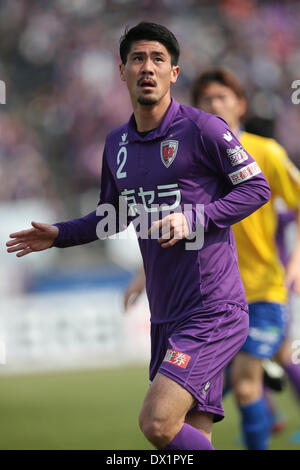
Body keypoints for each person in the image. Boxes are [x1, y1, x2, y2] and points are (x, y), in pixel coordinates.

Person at [6, 24, 271, 450]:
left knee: (157, 423)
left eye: (158, 59)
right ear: (122, 71)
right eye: (138, 59)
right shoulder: (116, 145)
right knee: (193, 435)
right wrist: (59, 234)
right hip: (165, 315)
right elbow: (111, 217)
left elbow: (257, 188)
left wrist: (197, 217)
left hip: (212, 312)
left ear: (174, 72)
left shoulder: (204, 129)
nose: (147, 67)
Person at [124, 67, 300, 450]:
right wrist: (142, 275)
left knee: (247, 381)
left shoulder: (265, 152)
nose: (215, 105)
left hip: (262, 289)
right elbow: (169, 223)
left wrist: (298, 259)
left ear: (240, 104)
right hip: (209, 294)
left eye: (223, 98)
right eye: (206, 101)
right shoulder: (193, 156)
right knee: (206, 408)